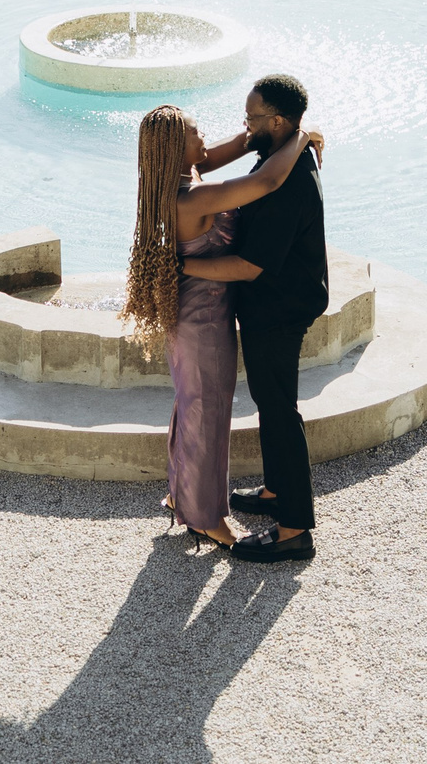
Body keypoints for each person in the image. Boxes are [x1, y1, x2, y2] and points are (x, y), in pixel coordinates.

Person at [122, 103, 317, 548]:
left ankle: (182, 494)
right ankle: (206, 518)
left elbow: (228, 150)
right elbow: (266, 182)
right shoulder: (194, 198)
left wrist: (266, 131)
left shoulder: (176, 181)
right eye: (195, 133)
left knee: (193, 404)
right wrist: (302, 136)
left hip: (192, 315)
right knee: (207, 412)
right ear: (177, 147)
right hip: (204, 321)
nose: (204, 138)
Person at [178, 74, 326, 563]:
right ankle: (276, 491)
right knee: (269, 400)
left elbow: (249, 266)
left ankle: (294, 529)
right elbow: (232, 160)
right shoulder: (277, 151)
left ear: (277, 121)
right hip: (269, 304)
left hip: (279, 309)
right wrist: (299, 135)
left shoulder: (287, 179)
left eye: (252, 118)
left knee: (280, 410)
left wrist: (179, 266)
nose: (245, 126)